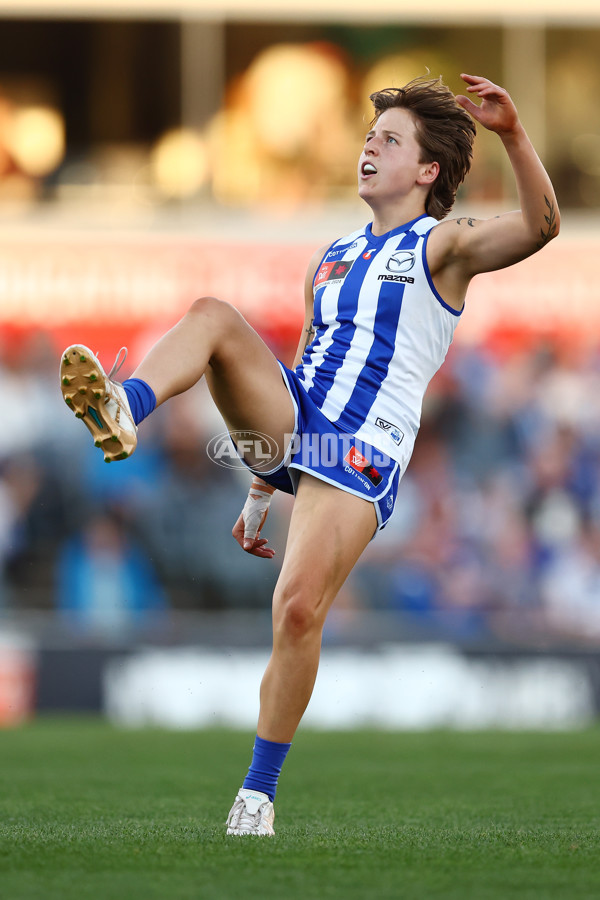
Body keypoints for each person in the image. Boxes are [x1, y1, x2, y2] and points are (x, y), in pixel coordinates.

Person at [59, 73, 559, 835]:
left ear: (427, 171)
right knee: (213, 315)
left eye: (389, 141)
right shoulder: (330, 255)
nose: (369, 149)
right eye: (369, 137)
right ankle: (125, 411)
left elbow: (544, 224)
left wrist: (515, 136)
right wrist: (262, 487)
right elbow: (305, 360)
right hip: (302, 420)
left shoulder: (445, 246)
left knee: (295, 611)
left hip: (360, 450)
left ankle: (257, 797)